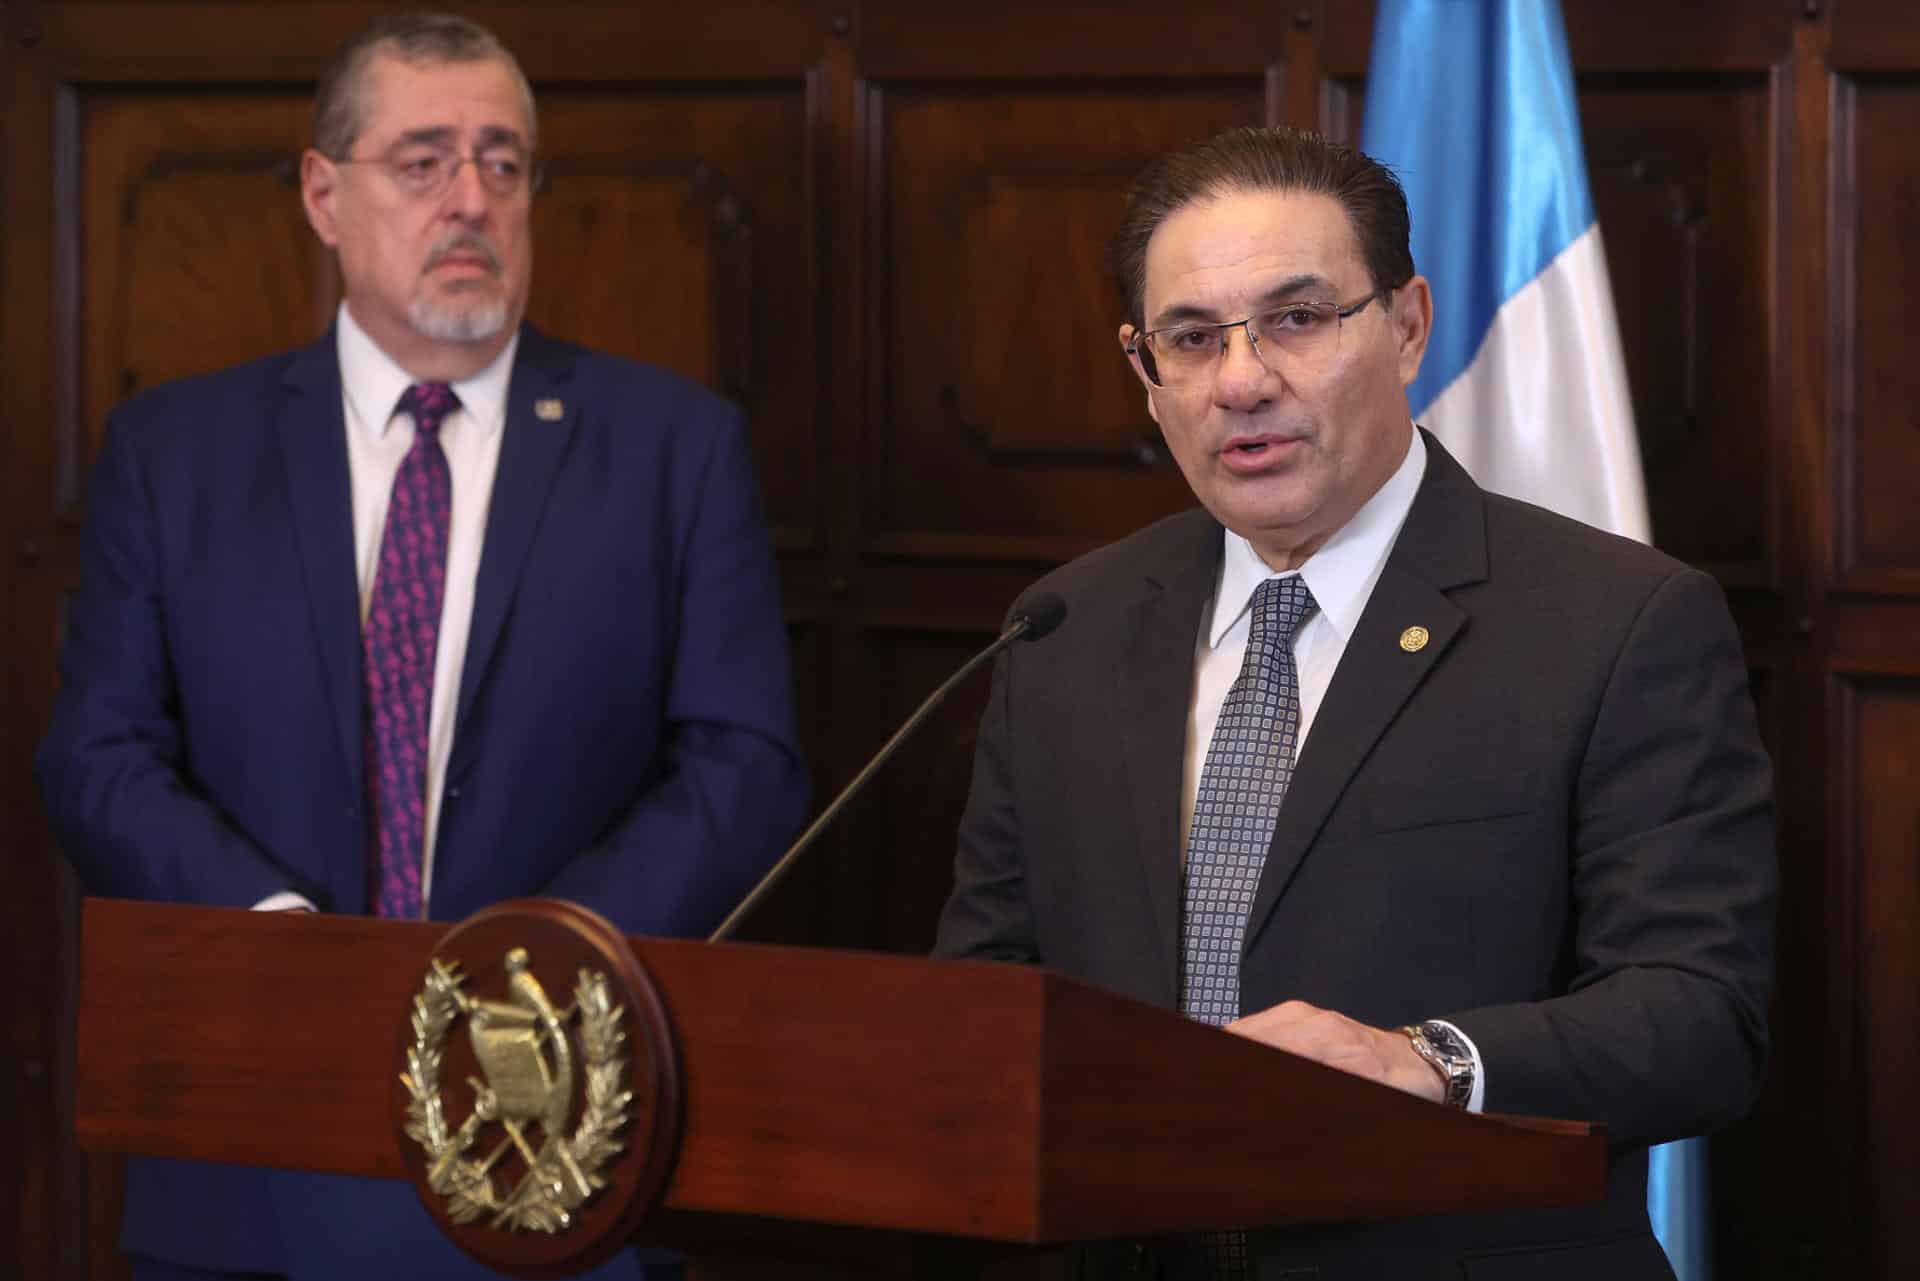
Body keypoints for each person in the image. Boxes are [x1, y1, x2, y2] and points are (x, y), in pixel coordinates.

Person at [36, 12, 807, 1281]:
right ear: (323, 193)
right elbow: (99, 752)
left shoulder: (673, 450)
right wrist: (274, 932)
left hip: (564, 1111)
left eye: (505, 164)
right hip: (252, 1117)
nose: (471, 199)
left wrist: (553, 960)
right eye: (425, 160)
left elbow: (743, 763)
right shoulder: (176, 453)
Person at [935, 126, 1775, 1280]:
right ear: (1146, 372)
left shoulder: (1617, 621)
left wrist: (1427, 1061)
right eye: (1192, 339)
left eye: (1298, 317)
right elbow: (989, 991)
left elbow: (1700, 1022)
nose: (1242, 381)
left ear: (1409, 324)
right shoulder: (1066, 626)